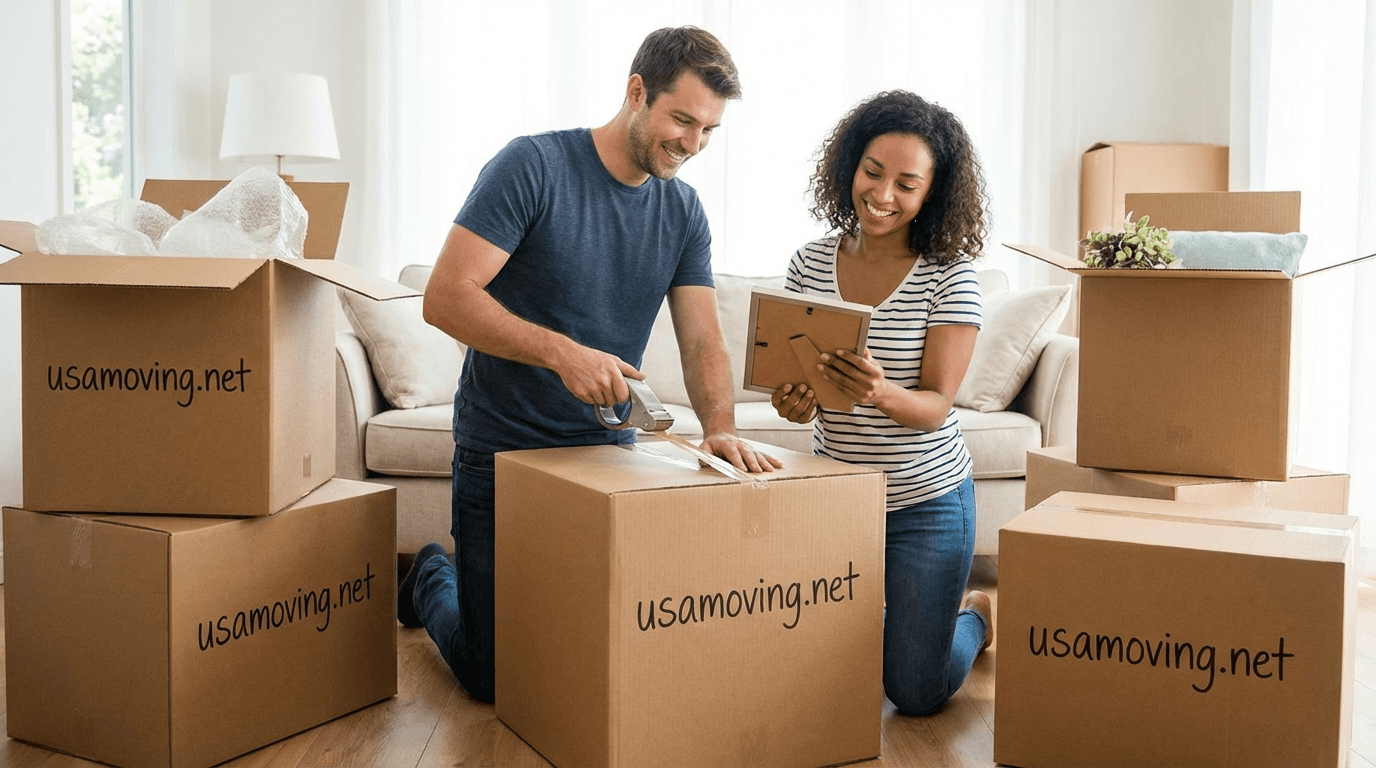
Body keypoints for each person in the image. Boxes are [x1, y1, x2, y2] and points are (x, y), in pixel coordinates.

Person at [397, 26, 781, 704]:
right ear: (636, 92)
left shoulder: (683, 211)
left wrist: (720, 427)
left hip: (606, 457)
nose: (693, 144)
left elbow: (701, 340)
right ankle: (431, 573)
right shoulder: (534, 166)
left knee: (598, 649)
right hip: (503, 451)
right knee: (494, 678)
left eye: (709, 130)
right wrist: (560, 352)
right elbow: (445, 297)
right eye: (682, 120)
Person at [771, 90, 992, 716]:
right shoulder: (810, 262)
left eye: (907, 184)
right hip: (839, 498)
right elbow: (801, 397)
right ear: (850, 166)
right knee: (818, 677)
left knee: (914, 693)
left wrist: (880, 391)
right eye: (872, 172)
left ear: (933, 193)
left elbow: (936, 406)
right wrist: (795, 403)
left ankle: (976, 618)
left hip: (927, 503)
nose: (882, 194)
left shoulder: (950, 274)